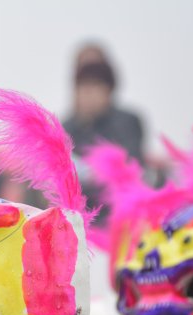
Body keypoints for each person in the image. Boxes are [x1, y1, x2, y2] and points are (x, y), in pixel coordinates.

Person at [62, 45, 146, 220]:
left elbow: (132, 166)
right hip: (79, 217)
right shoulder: (67, 127)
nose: (88, 94)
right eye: (83, 87)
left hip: (118, 215)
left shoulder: (126, 122)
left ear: (108, 90)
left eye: (95, 86)